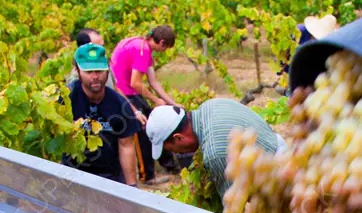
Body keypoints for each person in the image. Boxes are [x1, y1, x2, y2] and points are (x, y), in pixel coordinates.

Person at [145, 98, 283, 200]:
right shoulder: (211, 105)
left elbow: (234, 206)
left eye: (173, 150)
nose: (177, 154)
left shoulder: (215, 154)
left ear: (179, 137)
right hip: (281, 148)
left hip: (276, 180)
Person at [110, 25, 180, 181]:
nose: (165, 51)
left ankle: (171, 166)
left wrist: (171, 103)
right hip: (123, 94)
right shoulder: (143, 51)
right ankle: (147, 176)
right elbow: (135, 83)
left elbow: (153, 82)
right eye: (166, 48)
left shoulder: (139, 43)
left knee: (156, 126)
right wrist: (155, 100)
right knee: (144, 131)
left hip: (126, 91)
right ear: (162, 43)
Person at [64, 43, 140, 186]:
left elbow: (126, 146)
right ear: (77, 71)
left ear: (107, 71)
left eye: (99, 70)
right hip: (71, 177)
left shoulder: (120, 105)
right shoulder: (66, 100)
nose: (95, 76)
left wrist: (132, 187)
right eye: (89, 71)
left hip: (110, 178)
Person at [278, 14, 340, 88]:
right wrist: (282, 71)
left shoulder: (327, 47)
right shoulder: (298, 32)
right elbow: (282, 53)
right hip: (289, 70)